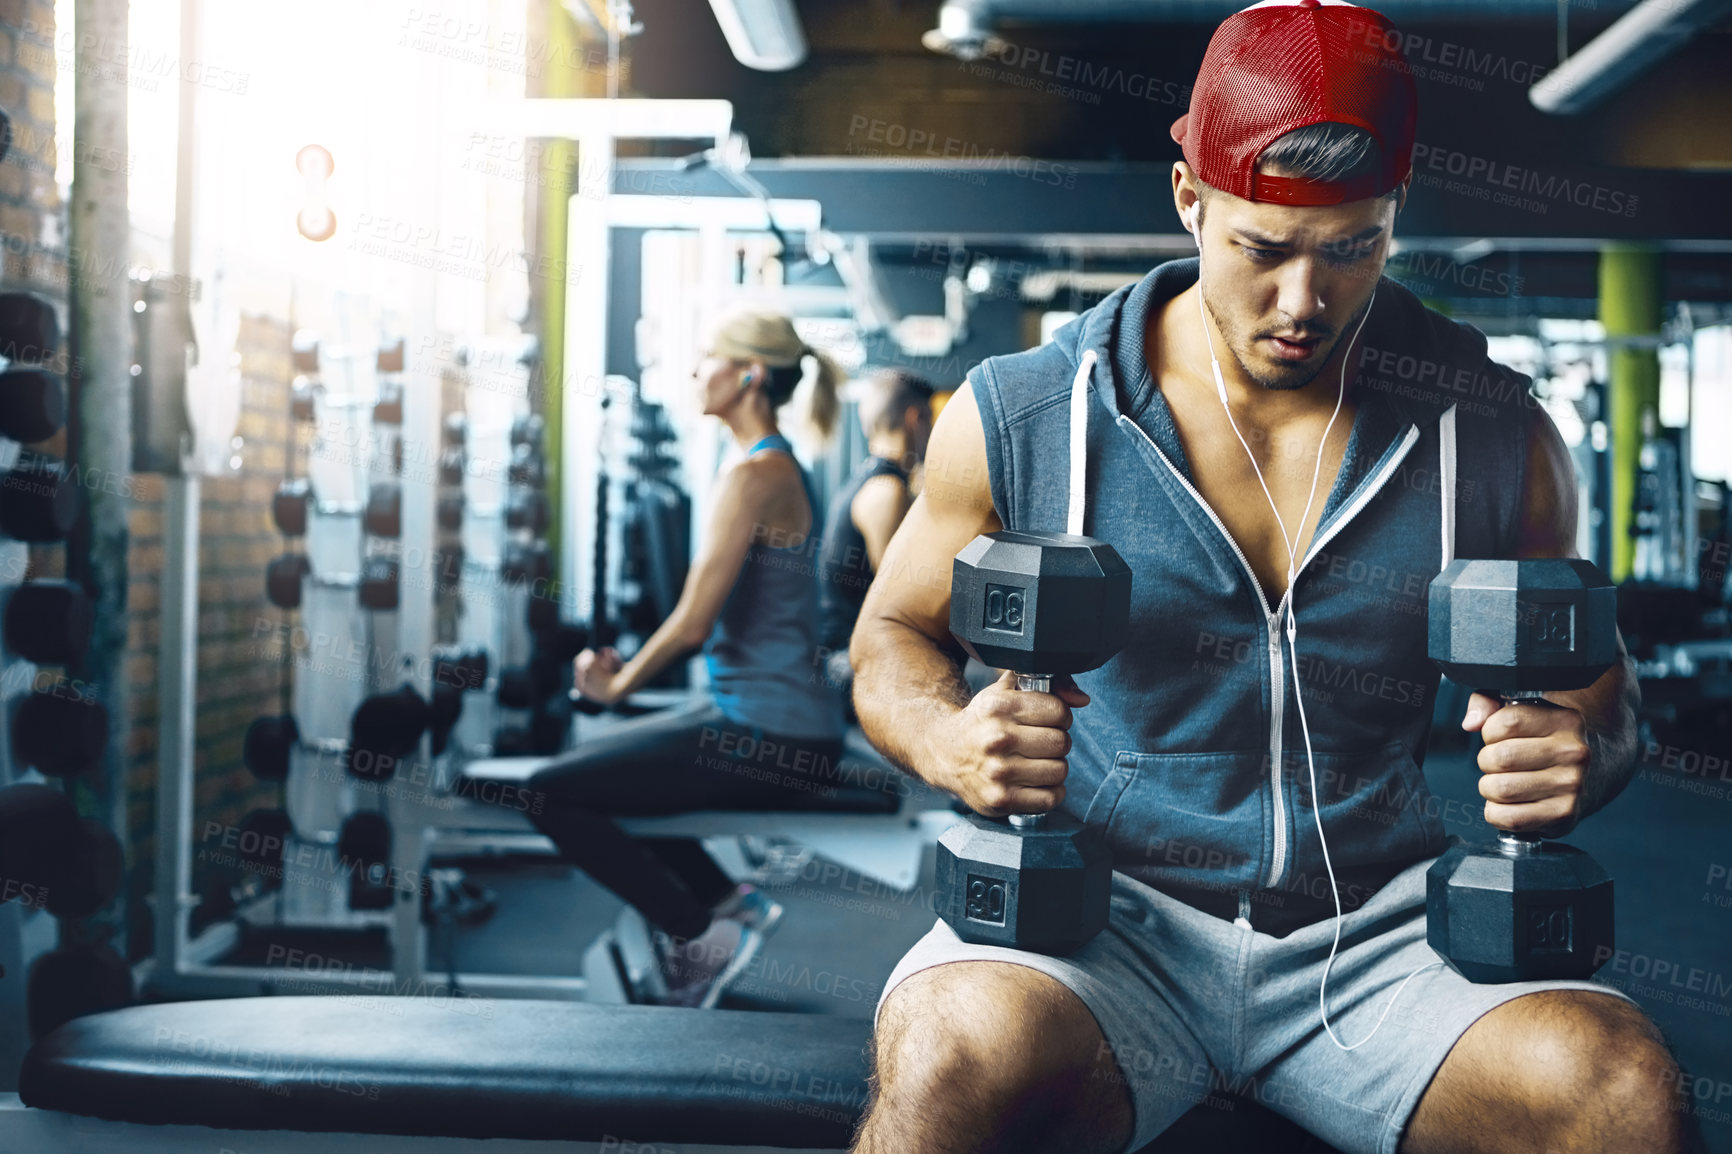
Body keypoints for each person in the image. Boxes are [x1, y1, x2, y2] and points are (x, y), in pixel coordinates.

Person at [848, 4, 1694, 1153]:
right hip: (1099, 922)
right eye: (1263, 248)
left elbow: (1607, 691)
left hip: (1381, 935)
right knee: (951, 1062)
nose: (1306, 302)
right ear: (1190, 201)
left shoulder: (1489, 432)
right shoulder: (1025, 413)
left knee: (1621, 1095)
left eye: (1352, 247)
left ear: (1393, 219)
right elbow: (891, 632)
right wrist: (948, 739)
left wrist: (1578, 749)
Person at [524, 307, 847, 1009]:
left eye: (708, 359)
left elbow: (693, 624)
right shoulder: (774, 468)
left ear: (750, 375)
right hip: (774, 722)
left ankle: (698, 931)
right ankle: (728, 904)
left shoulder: (755, 478)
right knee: (621, 763)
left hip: (771, 733)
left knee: (548, 790)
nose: (696, 372)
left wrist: (615, 689)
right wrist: (624, 686)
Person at [817, 369, 935, 699]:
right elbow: (902, 601)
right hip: (845, 664)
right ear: (916, 418)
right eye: (932, 421)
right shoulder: (886, 491)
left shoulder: (870, 479)